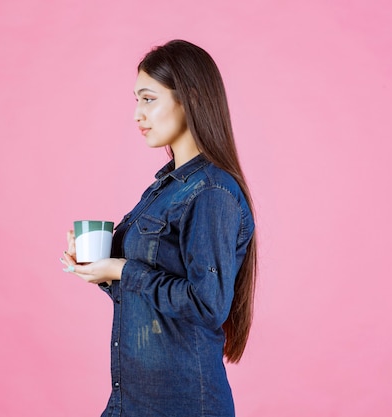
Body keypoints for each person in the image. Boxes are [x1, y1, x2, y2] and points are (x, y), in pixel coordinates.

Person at [60, 39, 258, 417]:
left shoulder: (212, 192)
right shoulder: (165, 188)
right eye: (136, 100)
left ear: (191, 99)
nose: (137, 114)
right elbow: (150, 295)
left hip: (182, 404)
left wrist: (121, 269)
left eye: (148, 99)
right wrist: (99, 270)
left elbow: (206, 304)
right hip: (134, 401)